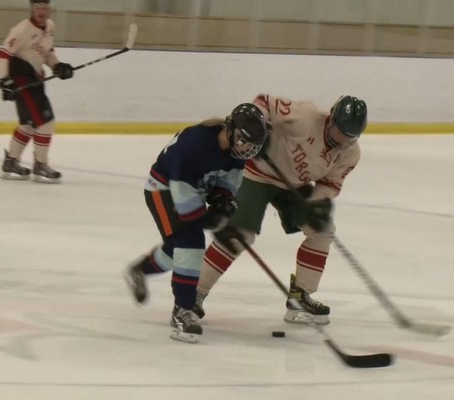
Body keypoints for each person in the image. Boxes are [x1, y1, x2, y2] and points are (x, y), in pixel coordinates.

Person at [195, 93, 368, 326]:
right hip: (257, 173)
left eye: (350, 136)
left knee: (323, 231)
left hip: (292, 186)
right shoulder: (306, 116)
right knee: (240, 235)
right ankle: (195, 293)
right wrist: (258, 126)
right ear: (331, 119)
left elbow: (330, 184)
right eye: (340, 131)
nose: (342, 140)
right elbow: (264, 102)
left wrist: (317, 203)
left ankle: (300, 296)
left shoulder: (350, 153)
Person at [123, 103, 269, 344]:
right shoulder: (195, 145)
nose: (247, 151)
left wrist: (223, 204)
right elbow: (187, 207)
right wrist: (213, 221)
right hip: (163, 188)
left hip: (194, 189)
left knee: (177, 250)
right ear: (230, 130)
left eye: (253, 147)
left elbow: (225, 186)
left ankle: (140, 270)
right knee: (190, 243)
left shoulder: (235, 152)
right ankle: (183, 309)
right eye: (244, 142)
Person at [0, 0, 74, 184]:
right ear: (31, 9)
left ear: (50, 10)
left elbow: (46, 52)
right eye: (37, 7)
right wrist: (5, 80)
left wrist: (57, 66)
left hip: (35, 78)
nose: (41, 11)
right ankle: (41, 164)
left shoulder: (50, 27)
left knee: (29, 123)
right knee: (45, 121)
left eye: (44, 7)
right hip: (22, 79)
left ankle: (11, 162)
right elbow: (1, 55)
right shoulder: (21, 30)